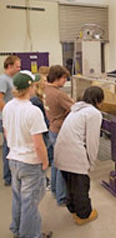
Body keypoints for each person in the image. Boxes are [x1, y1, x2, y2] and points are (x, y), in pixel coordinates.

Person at [2, 70, 52, 238]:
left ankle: (16, 228)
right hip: (30, 162)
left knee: (18, 196)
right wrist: (45, 162)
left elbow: (7, 133)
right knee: (30, 201)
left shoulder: (8, 106)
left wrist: (16, 147)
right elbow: (38, 144)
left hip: (13, 159)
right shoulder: (32, 111)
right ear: (30, 87)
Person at [54, 86, 104, 225]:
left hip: (61, 152)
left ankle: (74, 210)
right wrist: (91, 162)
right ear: (99, 100)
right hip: (73, 154)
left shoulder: (76, 109)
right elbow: (92, 141)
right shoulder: (93, 113)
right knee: (81, 186)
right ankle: (84, 215)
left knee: (70, 184)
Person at [44, 65, 74, 206]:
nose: (65, 81)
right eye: (64, 79)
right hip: (60, 130)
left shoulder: (46, 90)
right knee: (63, 165)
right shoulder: (59, 94)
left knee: (56, 163)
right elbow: (74, 108)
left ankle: (55, 191)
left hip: (52, 129)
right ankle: (62, 197)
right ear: (57, 78)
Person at [0, 55, 21, 186]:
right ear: (9, 66)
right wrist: (8, 113)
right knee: (9, 147)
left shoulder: (11, 79)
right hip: (7, 119)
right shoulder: (3, 80)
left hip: (12, 117)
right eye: (17, 66)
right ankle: (8, 177)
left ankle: (12, 175)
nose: (19, 69)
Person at [30, 71, 51, 190]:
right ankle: (43, 182)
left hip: (43, 129)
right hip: (41, 131)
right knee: (40, 159)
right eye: (44, 81)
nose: (46, 83)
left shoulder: (38, 98)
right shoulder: (35, 101)